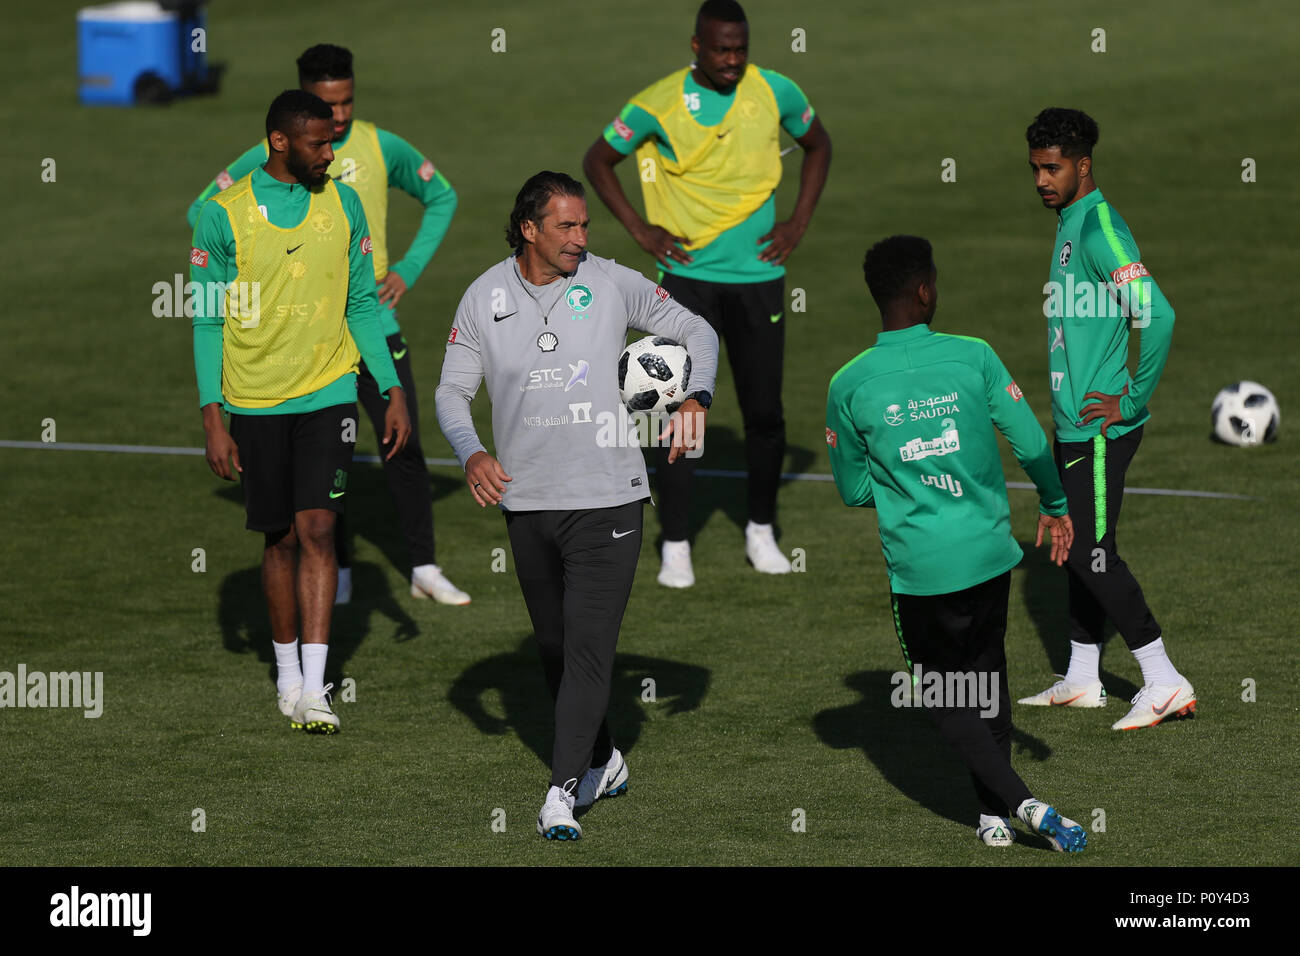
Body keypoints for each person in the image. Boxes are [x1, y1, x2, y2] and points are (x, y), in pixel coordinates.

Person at [435, 171, 718, 840]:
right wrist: (472, 452)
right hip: (526, 501)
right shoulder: (483, 297)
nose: (580, 237)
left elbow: (696, 330)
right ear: (529, 228)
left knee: (589, 651)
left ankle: (561, 793)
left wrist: (693, 397)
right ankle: (604, 759)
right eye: (566, 226)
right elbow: (451, 393)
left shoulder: (612, 282)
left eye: (585, 225)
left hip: (610, 499)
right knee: (555, 649)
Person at [826, 235, 1086, 851]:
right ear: (923, 291)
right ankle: (991, 810)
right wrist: (1054, 504)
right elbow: (1028, 443)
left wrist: (906, 485)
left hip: (921, 569)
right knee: (986, 675)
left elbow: (854, 490)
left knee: (945, 695)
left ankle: (1020, 802)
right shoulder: (975, 356)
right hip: (992, 556)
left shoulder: (849, 383)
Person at [187, 44, 467, 607]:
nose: (337, 120)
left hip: (371, 320)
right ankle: (334, 568)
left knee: (401, 440)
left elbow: (442, 195)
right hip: (303, 336)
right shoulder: (274, 150)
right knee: (319, 457)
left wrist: (406, 270)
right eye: (325, 106)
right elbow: (205, 213)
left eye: (347, 103)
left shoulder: (381, 144)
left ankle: (423, 567)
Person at [583, 0, 831, 588]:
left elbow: (820, 145)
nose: (733, 59)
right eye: (721, 49)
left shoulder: (776, 91)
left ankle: (762, 530)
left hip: (758, 280)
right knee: (670, 413)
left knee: (765, 411)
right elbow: (598, 160)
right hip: (686, 282)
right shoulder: (657, 102)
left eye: (741, 48)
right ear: (696, 46)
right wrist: (641, 230)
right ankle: (675, 543)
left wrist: (797, 223)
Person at [191, 90, 410, 734]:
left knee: (319, 529)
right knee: (279, 537)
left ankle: (315, 687)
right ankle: (285, 674)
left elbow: (363, 304)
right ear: (280, 142)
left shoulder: (344, 204)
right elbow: (206, 321)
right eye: (319, 143)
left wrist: (391, 388)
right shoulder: (222, 216)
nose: (331, 152)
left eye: (332, 140)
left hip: (330, 391)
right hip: (255, 399)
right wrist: (212, 416)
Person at [1020, 108, 1195, 731]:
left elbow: (1160, 314)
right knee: (1074, 550)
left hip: (1100, 430)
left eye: (1053, 168)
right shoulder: (1070, 221)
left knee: (1094, 551)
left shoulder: (1098, 229)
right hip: (1073, 427)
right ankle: (1082, 676)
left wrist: (1132, 397)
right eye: (1036, 168)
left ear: (1083, 166)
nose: (1042, 179)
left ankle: (1163, 678)